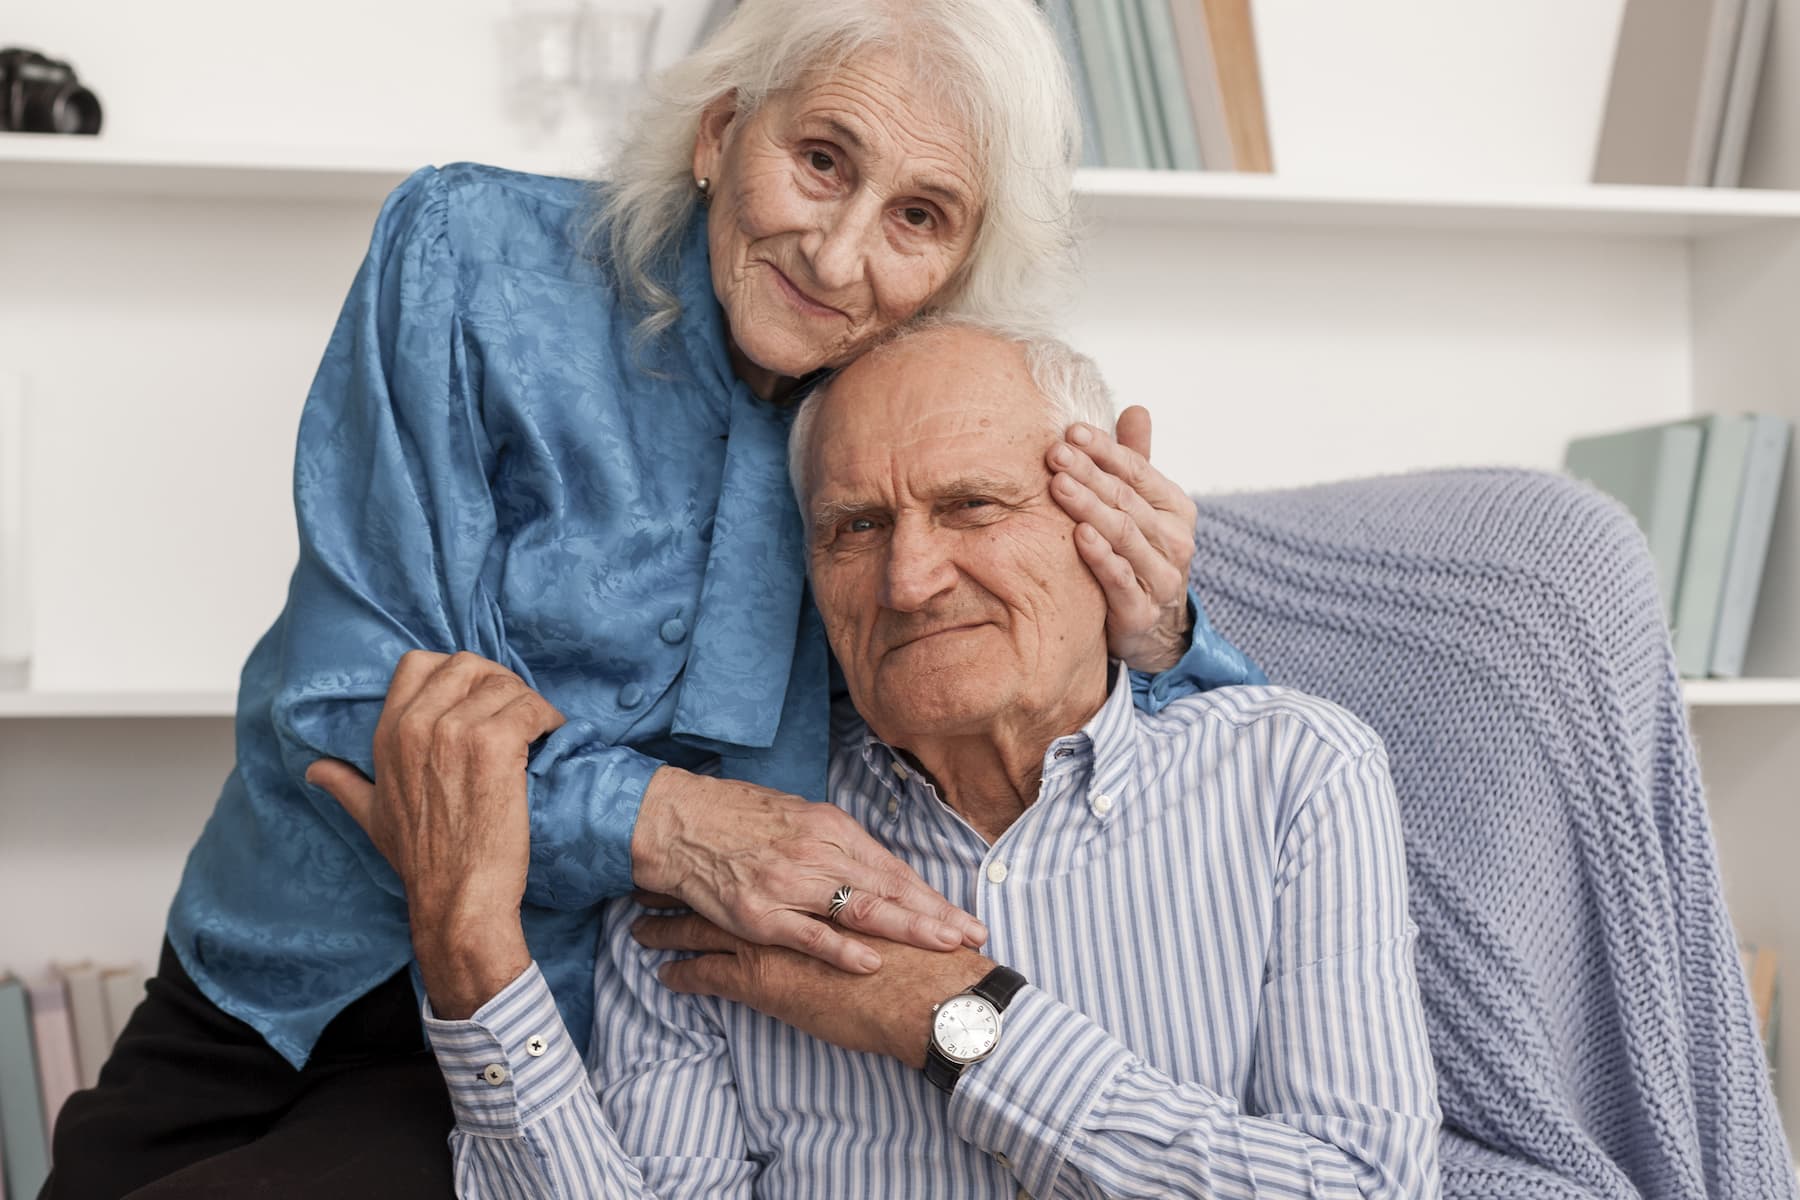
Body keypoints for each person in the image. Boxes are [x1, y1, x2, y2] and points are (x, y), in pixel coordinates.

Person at [42, 2, 1265, 1196]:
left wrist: (1155, 634)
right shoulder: (469, 255)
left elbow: (1128, 743)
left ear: (962, 262)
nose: (838, 257)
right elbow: (352, 700)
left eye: (919, 217)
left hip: (575, 1050)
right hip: (274, 968)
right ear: (721, 133)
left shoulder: (908, 448)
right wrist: (673, 824)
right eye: (821, 160)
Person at [318, 320, 1442, 1197]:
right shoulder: (727, 853)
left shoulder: (1295, 774)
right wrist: (472, 960)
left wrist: (954, 1018)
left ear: (1105, 512)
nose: (909, 580)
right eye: (855, 527)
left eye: (971, 506)